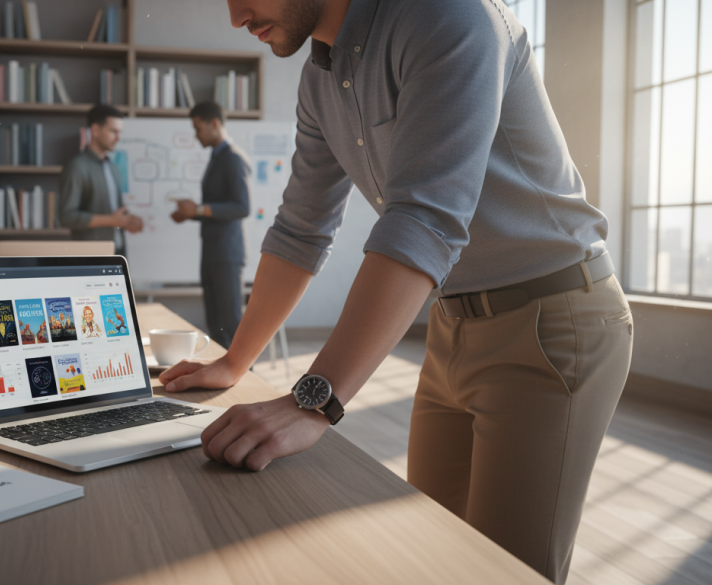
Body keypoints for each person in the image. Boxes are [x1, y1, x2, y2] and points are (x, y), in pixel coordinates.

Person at [158, 1, 633, 583]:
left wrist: (315, 399)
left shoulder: (450, 16)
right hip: (452, 323)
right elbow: (301, 229)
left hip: (555, 321)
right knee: (432, 558)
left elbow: (424, 219)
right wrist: (236, 361)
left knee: (503, 573)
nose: (235, 16)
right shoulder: (319, 78)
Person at [171, 101, 251, 349]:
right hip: (212, 251)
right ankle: (218, 376)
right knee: (215, 323)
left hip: (227, 254)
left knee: (231, 323)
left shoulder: (233, 158)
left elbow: (242, 207)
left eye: (198, 129)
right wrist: (191, 214)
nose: (196, 135)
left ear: (215, 124)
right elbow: (217, 206)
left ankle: (244, 380)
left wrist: (197, 209)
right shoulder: (217, 157)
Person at [59, 104, 143, 256]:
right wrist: (111, 220)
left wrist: (127, 220)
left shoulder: (113, 168)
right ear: (95, 130)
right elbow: (66, 217)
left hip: (118, 251)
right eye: (113, 131)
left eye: (120, 132)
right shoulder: (77, 167)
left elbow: (115, 213)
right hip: (92, 256)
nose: (119, 137)